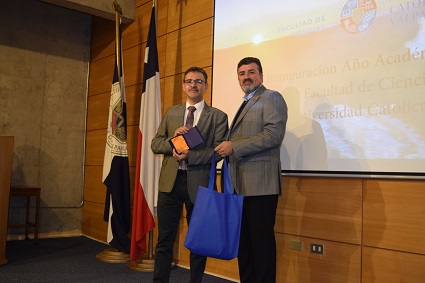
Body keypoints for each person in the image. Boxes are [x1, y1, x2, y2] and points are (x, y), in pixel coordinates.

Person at [151, 66, 228, 283]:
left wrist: (190, 156)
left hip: (200, 185)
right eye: (189, 81)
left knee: (198, 241)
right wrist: (172, 142)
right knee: (164, 239)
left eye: (199, 81)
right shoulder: (172, 113)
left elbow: (218, 151)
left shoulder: (218, 117)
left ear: (205, 85)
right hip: (170, 185)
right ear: (184, 85)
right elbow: (155, 143)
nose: (193, 85)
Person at [214, 57, 287, 283]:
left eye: (251, 72)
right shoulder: (246, 102)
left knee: (261, 248)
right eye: (242, 73)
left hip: (261, 187)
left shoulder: (271, 97)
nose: (246, 76)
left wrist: (234, 146)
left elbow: (273, 136)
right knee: (244, 245)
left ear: (261, 76)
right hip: (240, 187)